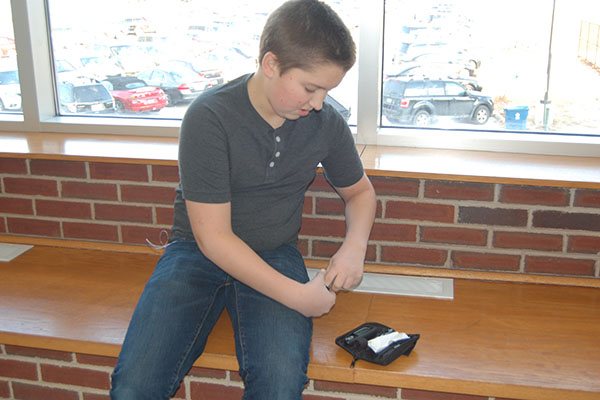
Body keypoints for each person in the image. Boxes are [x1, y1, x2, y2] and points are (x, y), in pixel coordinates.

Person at [110, 0, 376, 398]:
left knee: (279, 386)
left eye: (327, 91)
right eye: (310, 88)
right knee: (134, 386)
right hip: (195, 253)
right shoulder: (209, 117)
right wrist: (300, 297)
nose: (318, 102)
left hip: (273, 250)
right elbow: (213, 239)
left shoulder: (324, 122)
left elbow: (360, 192)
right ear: (271, 64)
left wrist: (354, 248)